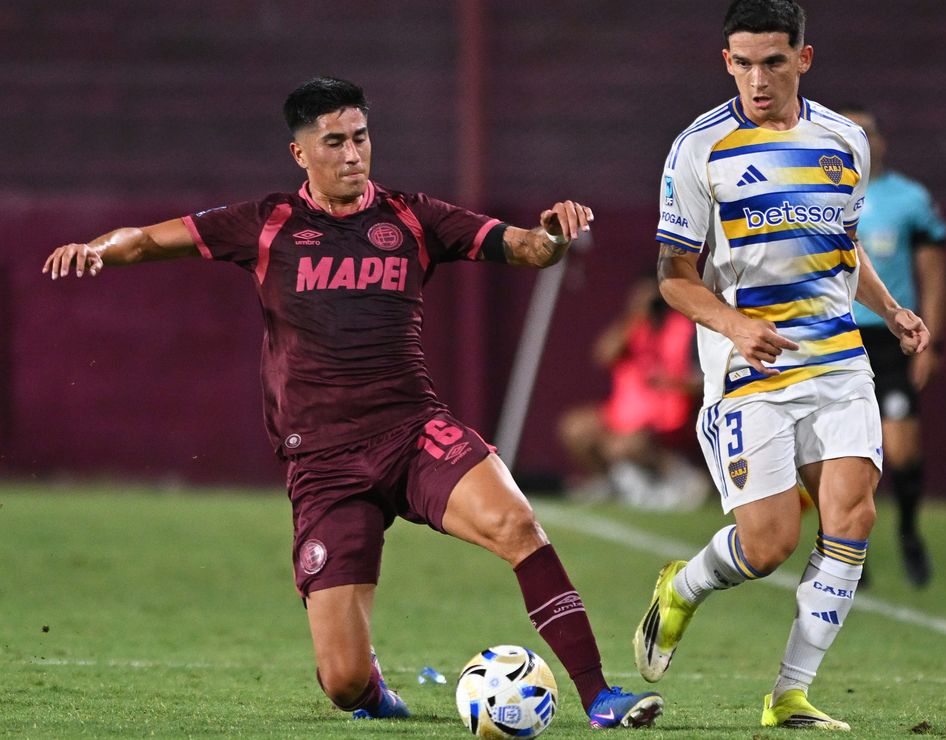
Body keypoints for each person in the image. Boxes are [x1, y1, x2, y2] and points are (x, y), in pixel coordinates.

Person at [43, 77, 662, 730]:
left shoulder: (413, 217)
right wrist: (95, 251)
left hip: (413, 433)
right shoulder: (267, 225)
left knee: (517, 525)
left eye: (360, 138)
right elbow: (143, 240)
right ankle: (375, 692)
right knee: (341, 682)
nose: (352, 154)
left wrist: (553, 234)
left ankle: (600, 697)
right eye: (333, 141)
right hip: (325, 464)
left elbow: (530, 249)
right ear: (300, 153)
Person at [634, 1, 929, 731]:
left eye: (772, 61)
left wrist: (889, 309)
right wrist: (734, 324)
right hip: (749, 370)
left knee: (852, 513)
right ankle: (682, 588)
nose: (757, 78)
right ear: (725, 61)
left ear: (804, 58)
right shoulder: (699, 148)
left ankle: (790, 693)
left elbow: (841, 243)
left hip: (836, 358)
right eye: (743, 62)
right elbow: (673, 273)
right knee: (768, 545)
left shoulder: (844, 141)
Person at [841, 104, 946, 588]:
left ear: (881, 141)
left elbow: (934, 275)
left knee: (901, 450)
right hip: (836, 338)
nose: (859, 142)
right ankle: (845, 553)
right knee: (842, 454)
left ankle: (907, 532)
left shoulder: (909, 199)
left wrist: (932, 342)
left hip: (889, 341)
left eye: (866, 133)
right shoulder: (817, 195)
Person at [557, 275, 708, 510]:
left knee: (622, 446)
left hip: (668, 417)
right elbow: (604, 355)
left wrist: (672, 382)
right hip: (625, 413)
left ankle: (678, 475)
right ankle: (609, 483)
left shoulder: (685, 328)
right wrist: (634, 316)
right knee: (575, 427)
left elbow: (704, 380)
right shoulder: (634, 327)